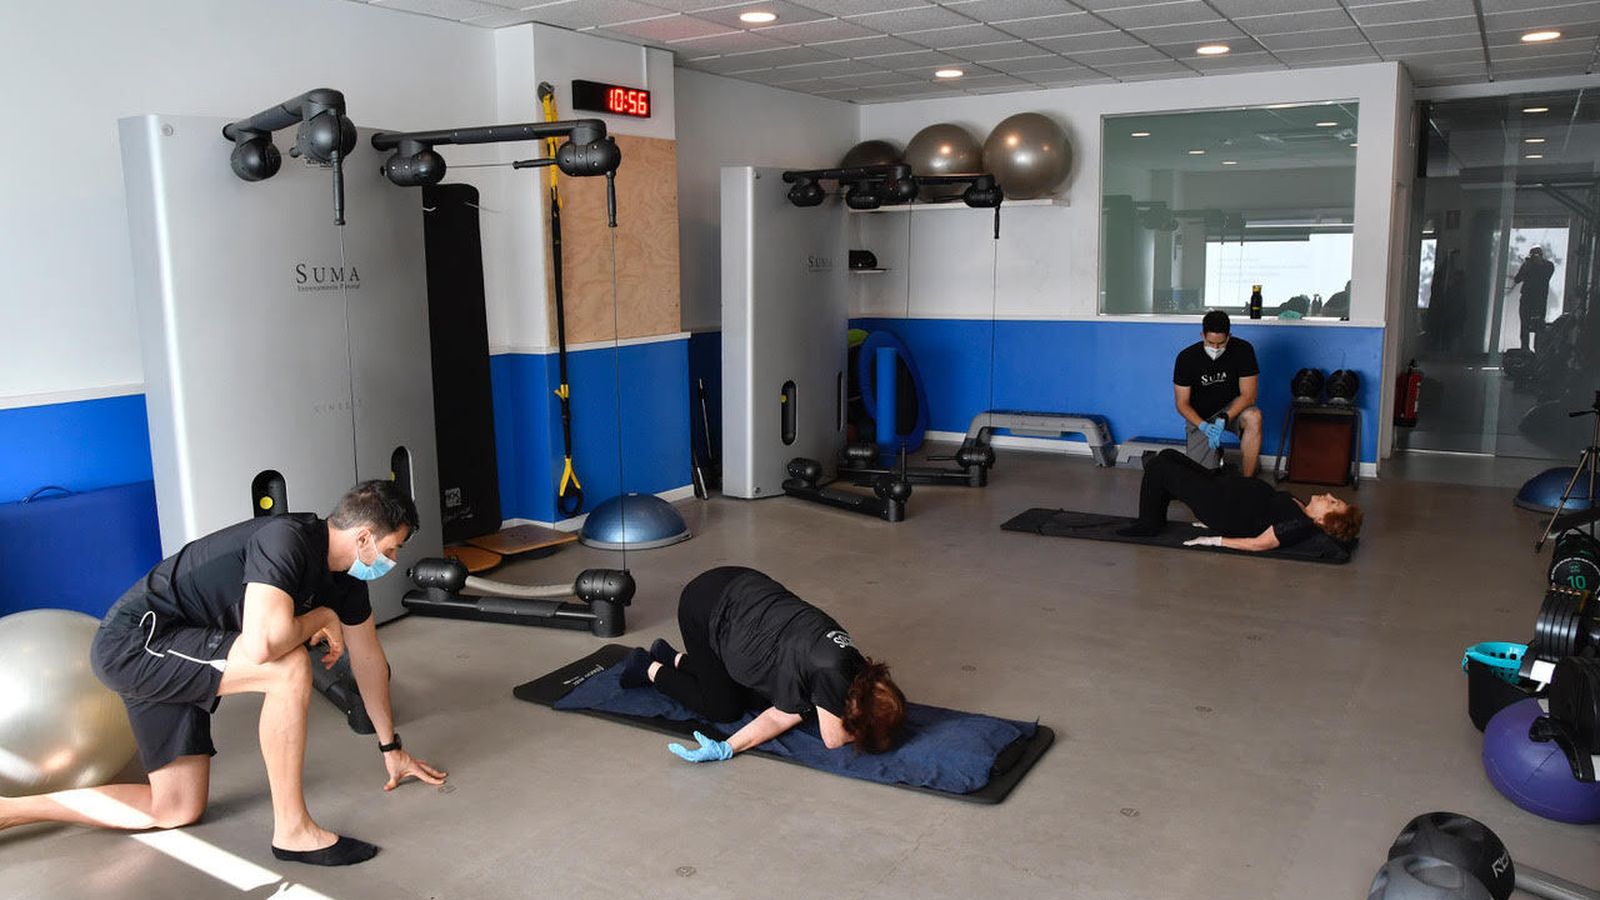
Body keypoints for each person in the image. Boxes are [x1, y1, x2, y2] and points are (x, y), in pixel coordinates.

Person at [0, 480, 445, 866]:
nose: (389, 561)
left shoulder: (347, 578)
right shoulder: (286, 540)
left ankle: (12, 810)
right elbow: (262, 644)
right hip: (138, 642)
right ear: (364, 536)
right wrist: (320, 617)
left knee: (174, 808)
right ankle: (292, 831)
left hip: (180, 645)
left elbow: (367, 659)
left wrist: (391, 747)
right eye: (391, 550)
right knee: (286, 668)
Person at [619, 566, 906, 763]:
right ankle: (647, 665)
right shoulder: (831, 676)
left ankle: (673, 657)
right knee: (724, 709)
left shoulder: (856, 667)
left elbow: (786, 711)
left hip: (739, 584)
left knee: (756, 692)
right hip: (703, 608)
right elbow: (832, 738)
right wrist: (727, 747)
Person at [1118, 449, 1363, 551]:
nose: (1329, 496)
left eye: (1332, 503)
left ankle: (1149, 524)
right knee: (1169, 456)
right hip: (1220, 487)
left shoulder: (1299, 524)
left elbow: (1258, 543)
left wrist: (1215, 539)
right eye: (1333, 499)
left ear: (1322, 520)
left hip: (1218, 505)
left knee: (1158, 467)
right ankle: (1158, 507)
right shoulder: (1302, 510)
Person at [1173, 310, 1263, 476]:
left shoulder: (1243, 350)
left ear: (1229, 336)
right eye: (1210, 343)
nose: (1215, 348)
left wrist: (1224, 418)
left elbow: (1249, 395)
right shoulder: (1186, 358)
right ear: (1202, 335)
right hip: (1201, 415)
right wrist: (1203, 426)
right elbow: (1181, 403)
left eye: (1221, 343)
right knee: (1200, 478)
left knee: (1254, 417)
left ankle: (1248, 482)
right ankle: (1215, 456)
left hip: (1232, 410)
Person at [1512, 246, 1556, 352]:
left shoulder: (1548, 266)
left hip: (1539, 301)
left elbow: (1547, 275)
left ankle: (1538, 350)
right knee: (1525, 326)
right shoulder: (1528, 266)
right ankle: (1525, 349)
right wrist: (1526, 266)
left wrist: (1537, 265)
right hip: (1527, 300)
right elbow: (1517, 279)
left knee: (1539, 327)